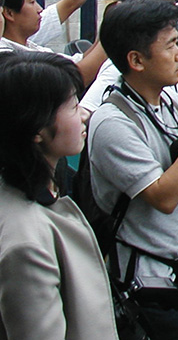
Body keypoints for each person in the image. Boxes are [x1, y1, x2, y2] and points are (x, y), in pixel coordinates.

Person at [88, 0, 178, 339]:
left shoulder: (168, 98)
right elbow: (164, 197)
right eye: (170, 46)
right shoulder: (112, 123)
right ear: (136, 60)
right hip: (149, 275)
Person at [0, 51, 118, 340]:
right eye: (74, 106)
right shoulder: (25, 242)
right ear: (36, 128)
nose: (84, 114)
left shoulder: (35, 194)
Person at [0, 0, 107, 86]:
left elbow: (76, 64)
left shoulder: (34, 48)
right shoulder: (7, 58)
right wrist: (114, 35)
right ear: (9, 13)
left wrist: (105, 34)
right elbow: (75, 78)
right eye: (32, 2)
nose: (40, 9)